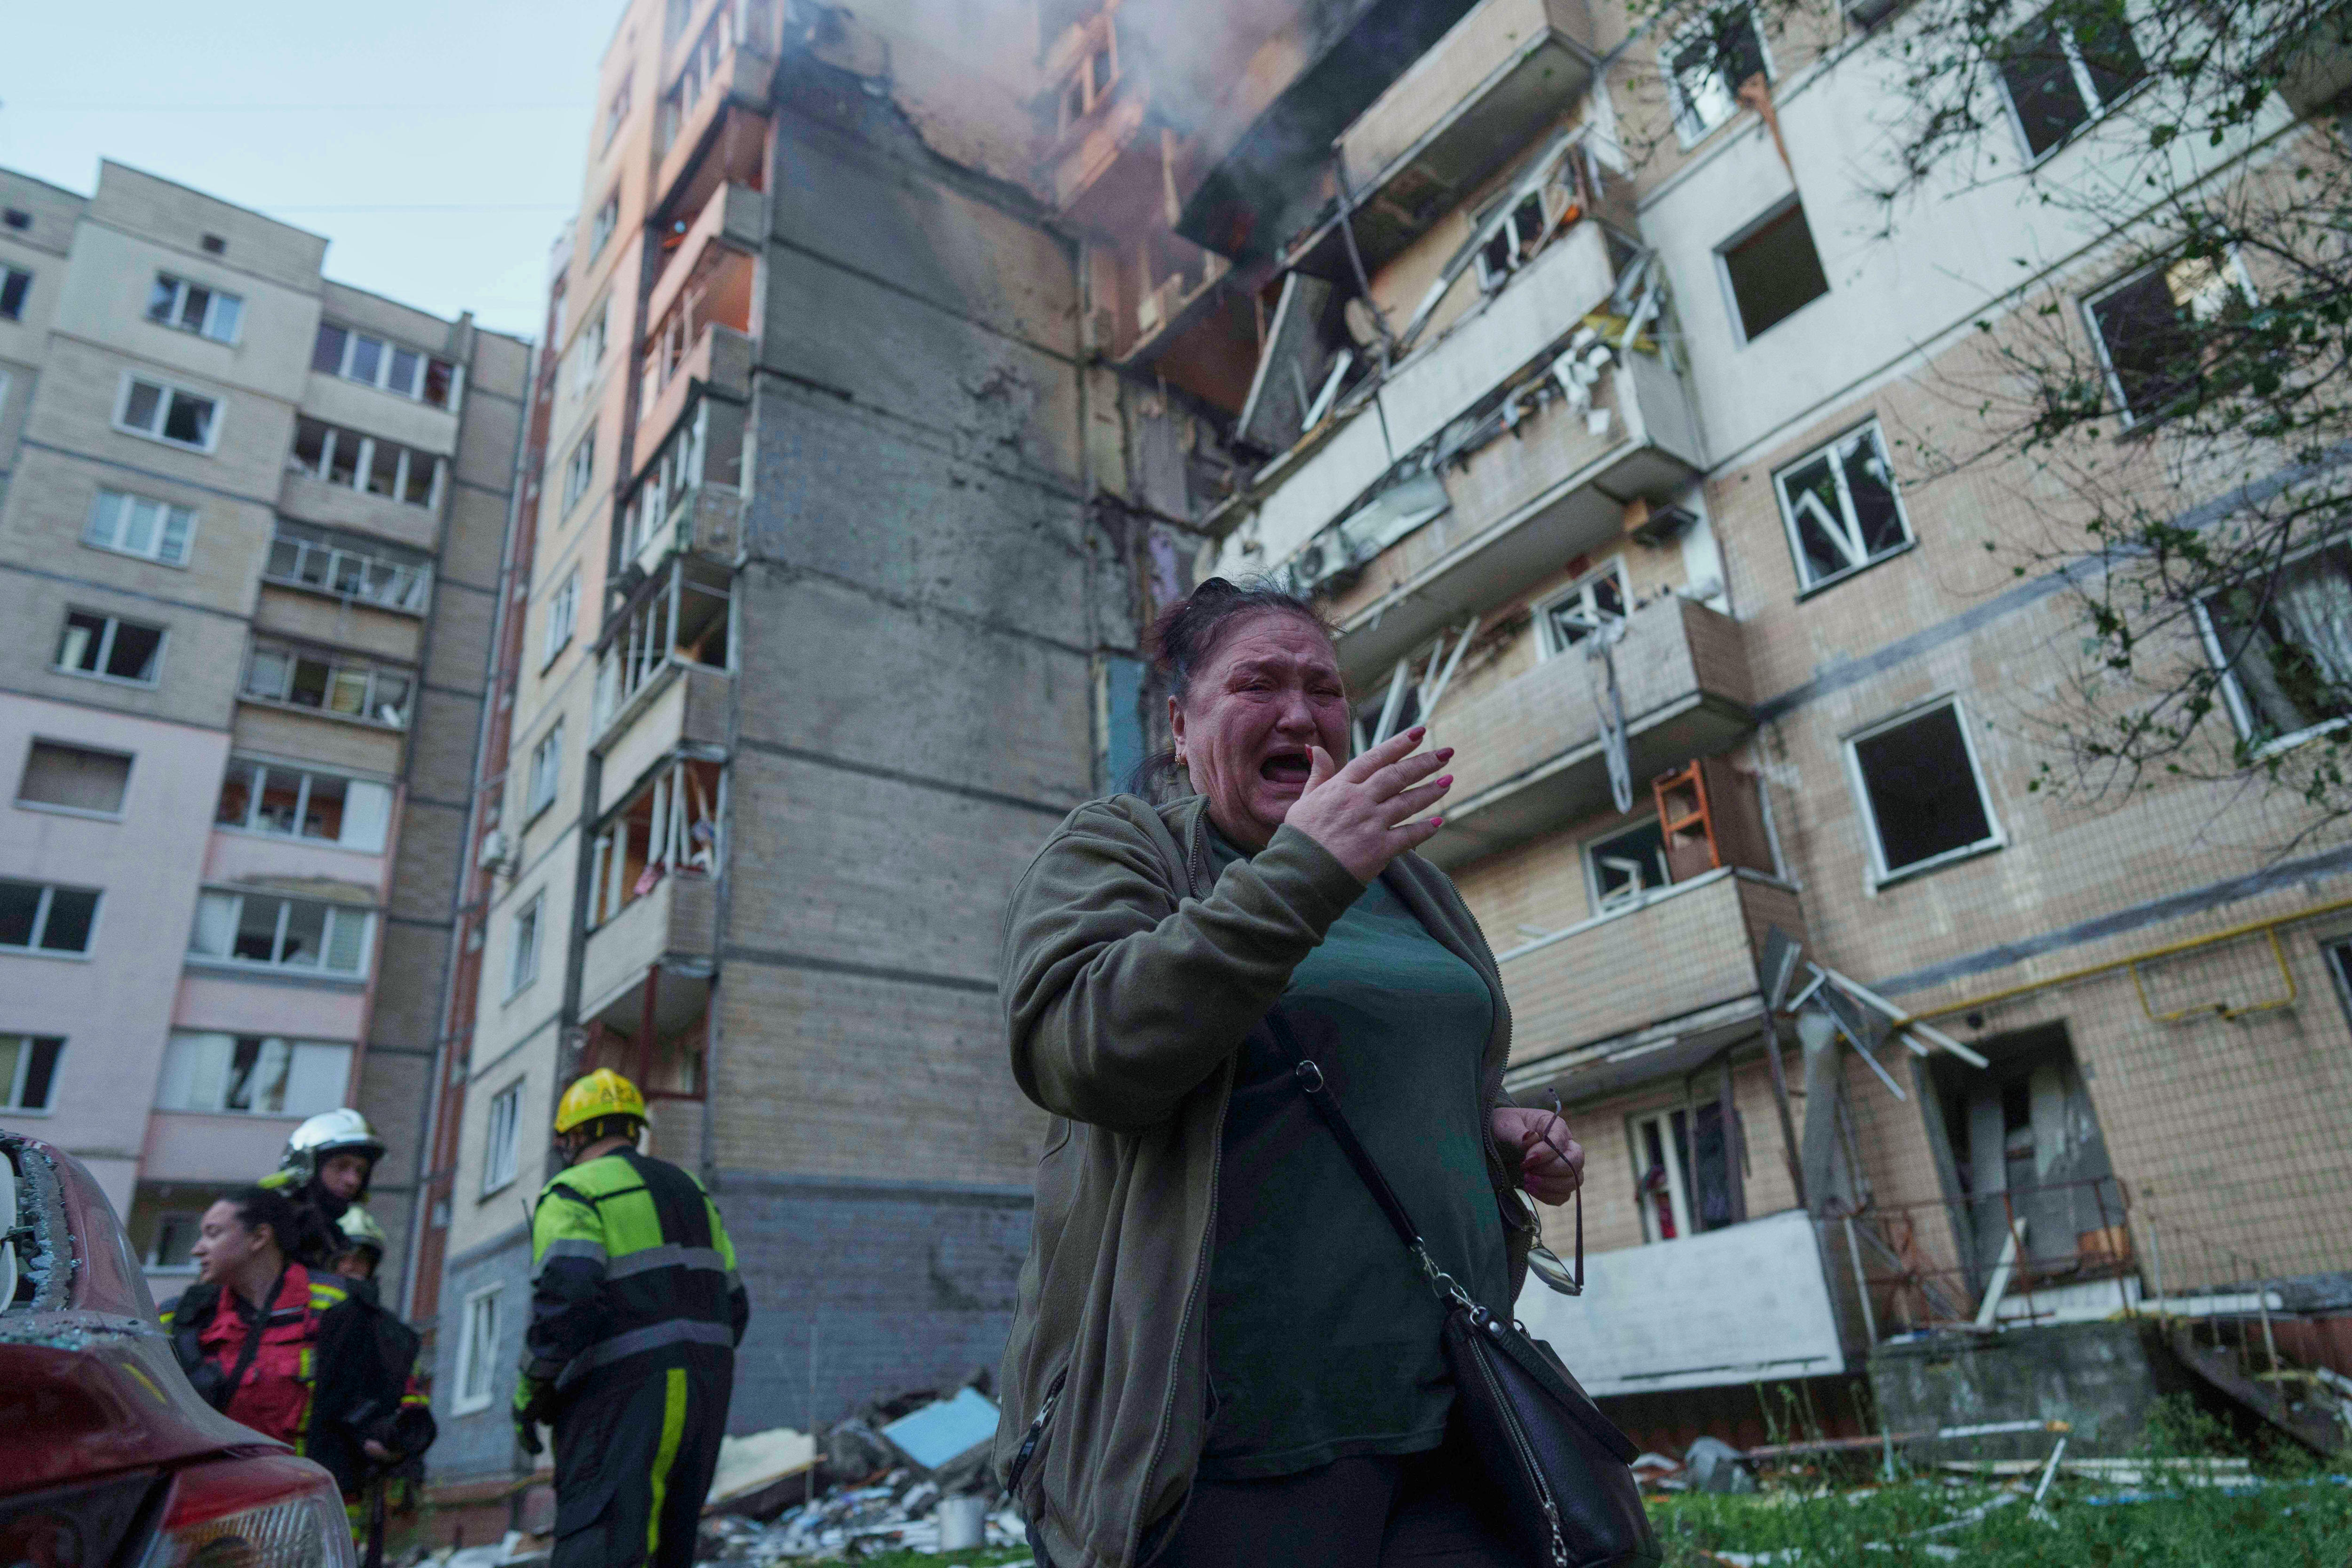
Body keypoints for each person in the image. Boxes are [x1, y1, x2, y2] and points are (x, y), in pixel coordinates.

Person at [993, 578, 1588, 1568]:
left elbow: (1400, 1073)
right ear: (1182, 728)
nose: (1301, 713)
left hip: (1453, 1422)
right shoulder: (1124, 850)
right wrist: (1306, 869)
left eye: (1323, 687)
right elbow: (1084, 1052)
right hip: (1230, 1451)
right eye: (1257, 683)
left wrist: (1485, 1127)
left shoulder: (1412, 887)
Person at [514, 1068, 750, 1568]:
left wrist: (529, 1394)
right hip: (706, 1393)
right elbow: (736, 1307)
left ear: (574, 1136)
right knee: (671, 1549)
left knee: (599, 1548)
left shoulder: (572, 1192)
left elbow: (567, 1300)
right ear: (633, 1128)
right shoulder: (692, 1192)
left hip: (620, 1399)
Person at [160, 1186, 435, 1505]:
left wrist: (388, 1439)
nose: (197, 1249)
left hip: (308, 1515)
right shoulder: (180, 1317)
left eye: (213, 1233)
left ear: (259, 1237)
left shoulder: (340, 1306)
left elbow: (402, 1394)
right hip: (202, 1511)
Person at [262, 1108, 387, 1271]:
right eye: (341, 1166)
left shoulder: (334, 1236)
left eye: (360, 1171)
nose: (353, 1181)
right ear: (306, 1166)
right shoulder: (271, 1225)